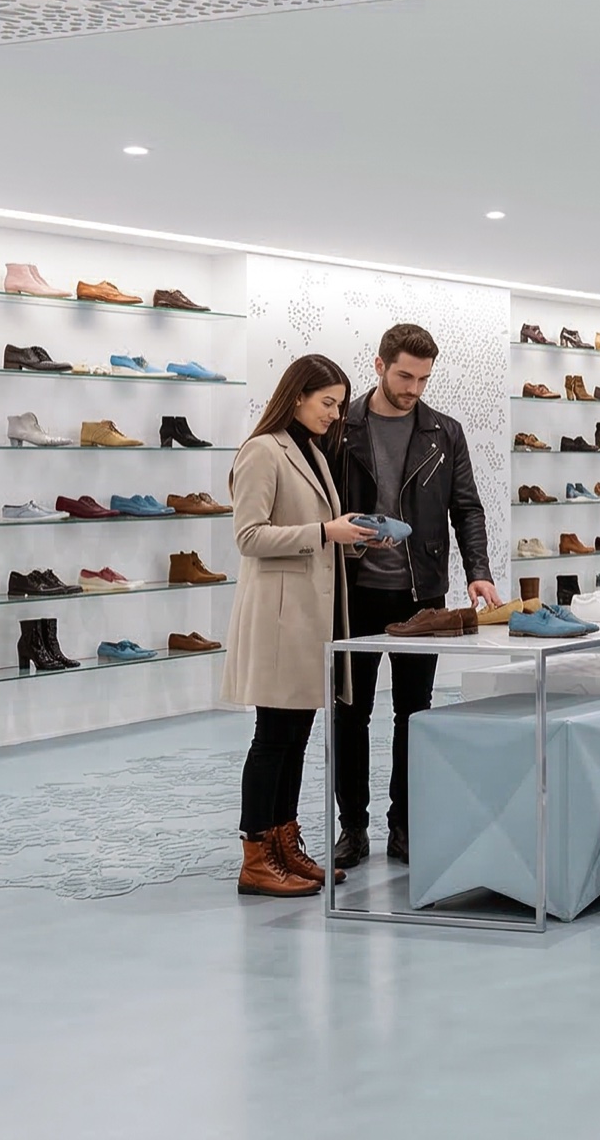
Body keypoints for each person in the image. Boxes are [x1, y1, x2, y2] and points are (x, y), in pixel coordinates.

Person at [327, 323, 499, 870]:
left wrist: (478, 570)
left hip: (419, 595)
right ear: (378, 365)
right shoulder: (340, 427)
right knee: (349, 715)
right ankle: (352, 829)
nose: (414, 388)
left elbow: (466, 507)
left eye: (424, 378)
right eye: (405, 375)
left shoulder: (444, 433)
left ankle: (404, 826)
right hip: (351, 593)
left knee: (413, 714)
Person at [224, 354, 380, 898]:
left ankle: (284, 845)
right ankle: (255, 857)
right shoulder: (262, 451)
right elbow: (248, 537)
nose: (336, 415)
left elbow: (314, 531)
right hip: (278, 617)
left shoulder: (310, 451)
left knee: (296, 737)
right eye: (327, 403)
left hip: (308, 617)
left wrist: (350, 537)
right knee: (272, 738)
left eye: (339, 405)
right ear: (297, 396)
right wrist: (323, 531)